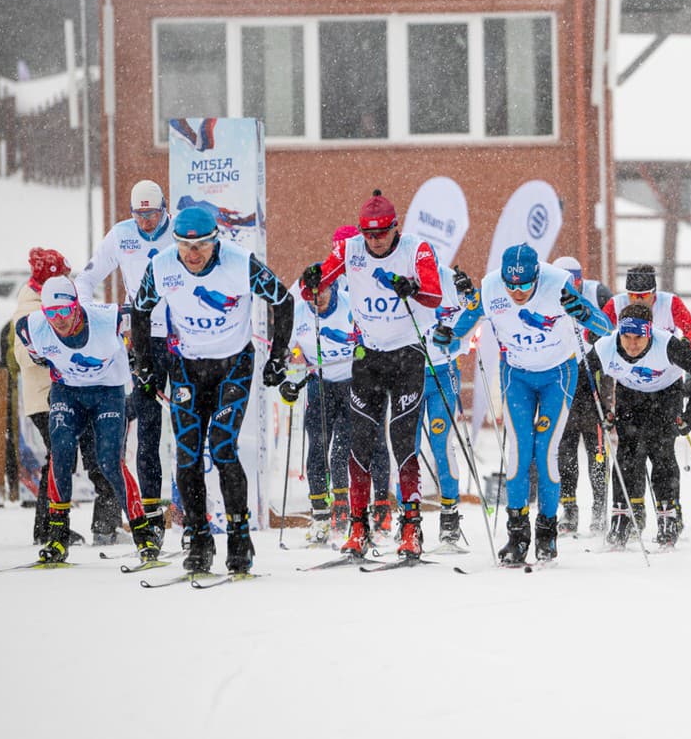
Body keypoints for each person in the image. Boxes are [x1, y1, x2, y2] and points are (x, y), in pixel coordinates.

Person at [298, 192, 464, 562]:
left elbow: (435, 296)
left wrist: (413, 289)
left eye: (381, 234)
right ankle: (359, 526)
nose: (375, 241)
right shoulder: (350, 249)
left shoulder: (415, 249)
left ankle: (411, 527)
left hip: (407, 355)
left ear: (394, 228)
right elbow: (315, 285)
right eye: (369, 235)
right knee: (360, 442)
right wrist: (310, 279)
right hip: (369, 356)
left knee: (403, 441)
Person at [132, 204, 294, 575]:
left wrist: (278, 357)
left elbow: (283, 300)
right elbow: (140, 312)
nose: (192, 254)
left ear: (215, 241)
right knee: (187, 456)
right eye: (184, 246)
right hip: (188, 369)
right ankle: (199, 537)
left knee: (222, 446)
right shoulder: (162, 267)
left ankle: (239, 537)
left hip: (233, 366)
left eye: (202, 246)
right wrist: (144, 363)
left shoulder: (239, 263)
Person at [479, 244, 611, 564]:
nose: (518, 292)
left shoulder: (558, 282)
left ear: (537, 276)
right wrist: (447, 335)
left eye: (525, 285)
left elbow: (605, 327)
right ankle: (518, 535)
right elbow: (462, 323)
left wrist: (582, 312)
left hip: (557, 375)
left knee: (546, 449)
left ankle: (547, 533)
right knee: (520, 451)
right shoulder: (491, 286)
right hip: (518, 376)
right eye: (512, 286)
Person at [16, 278, 157, 564]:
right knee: (61, 450)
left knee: (108, 461)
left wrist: (141, 358)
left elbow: (145, 312)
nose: (59, 321)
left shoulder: (107, 318)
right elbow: (35, 353)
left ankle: (144, 534)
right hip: (68, 393)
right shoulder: (30, 327)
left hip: (108, 393)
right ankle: (57, 536)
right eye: (51, 313)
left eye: (64, 312)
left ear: (77, 306)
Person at [76, 180, 175, 536]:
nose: (146, 222)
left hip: (181, 341)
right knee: (148, 431)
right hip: (144, 341)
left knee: (188, 426)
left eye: (152, 214)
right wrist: (108, 318)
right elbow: (84, 281)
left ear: (164, 207)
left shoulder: (180, 231)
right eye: (139, 215)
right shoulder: (121, 235)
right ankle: (150, 517)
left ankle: (195, 512)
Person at [10, 247, 118, 545]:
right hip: (49, 396)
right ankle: (49, 527)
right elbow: (25, 354)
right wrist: (55, 356)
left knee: (91, 458)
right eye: (65, 275)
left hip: (72, 391)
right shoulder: (31, 307)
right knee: (63, 459)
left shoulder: (48, 300)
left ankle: (101, 524)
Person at [586, 302, 691, 548]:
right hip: (630, 395)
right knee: (627, 455)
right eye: (627, 337)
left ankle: (668, 518)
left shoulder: (667, 345)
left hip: (665, 394)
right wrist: (598, 411)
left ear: (649, 333)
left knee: (661, 453)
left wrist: (690, 413)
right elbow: (583, 377)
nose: (632, 344)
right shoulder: (606, 347)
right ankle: (620, 518)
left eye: (639, 338)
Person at [279, 274, 367, 544]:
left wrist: (365, 353)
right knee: (317, 446)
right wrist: (288, 382)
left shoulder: (351, 305)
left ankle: (349, 512)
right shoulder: (299, 313)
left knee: (344, 448)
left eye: (321, 294)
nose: (316, 301)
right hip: (319, 383)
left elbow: (370, 338)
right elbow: (285, 352)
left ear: (333, 288)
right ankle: (320, 517)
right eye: (310, 296)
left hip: (350, 383)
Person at [417, 273, 483, 546]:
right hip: (408, 375)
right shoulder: (407, 280)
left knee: (442, 443)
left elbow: (477, 306)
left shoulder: (449, 281)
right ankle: (408, 519)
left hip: (443, 372)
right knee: (406, 447)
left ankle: (449, 515)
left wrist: (470, 291)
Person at [552, 256, 612, 536]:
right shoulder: (546, 291)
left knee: (597, 450)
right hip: (563, 376)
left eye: (574, 281)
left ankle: (599, 508)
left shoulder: (598, 293)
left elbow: (613, 329)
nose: (570, 287)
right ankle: (569, 509)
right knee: (565, 451)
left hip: (594, 378)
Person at [601, 265, 691, 349]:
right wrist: (594, 335)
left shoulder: (670, 303)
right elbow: (595, 330)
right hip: (630, 369)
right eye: (632, 295)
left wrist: (685, 344)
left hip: (665, 368)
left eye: (643, 295)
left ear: (654, 293)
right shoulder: (616, 303)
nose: (637, 300)